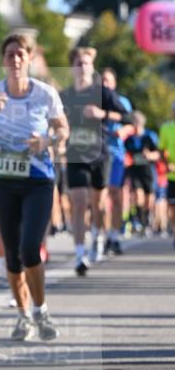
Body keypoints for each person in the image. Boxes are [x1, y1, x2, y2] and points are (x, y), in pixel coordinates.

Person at [0, 33, 69, 341]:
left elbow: (63, 130)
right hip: (3, 181)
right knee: (12, 256)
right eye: (10, 55)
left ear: (29, 58)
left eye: (20, 54)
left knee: (30, 248)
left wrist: (47, 140)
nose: (15, 59)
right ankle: (22, 315)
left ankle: (40, 310)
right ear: (3, 60)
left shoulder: (45, 93)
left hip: (38, 180)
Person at [60, 47, 132, 275]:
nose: (82, 67)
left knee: (99, 204)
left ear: (93, 67)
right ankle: (80, 253)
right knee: (79, 201)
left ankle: (98, 237)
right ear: (72, 67)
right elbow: (55, 120)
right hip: (75, 154)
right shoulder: (65, 95)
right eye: (78, 63)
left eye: (86, 63)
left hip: (99, 154)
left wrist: (102, 114)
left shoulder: (103, 93)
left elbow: (128, 116)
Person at [100, 67, 132, 255]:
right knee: (101, 195)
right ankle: (104, 235)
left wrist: (124, 131)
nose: (105, 84)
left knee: (116, 195)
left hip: (117, 153)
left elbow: (132, 124)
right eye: (102, 80)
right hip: (98, 152)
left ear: (114, 84)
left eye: (108, 81)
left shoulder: (122, 102)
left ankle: (114, 235)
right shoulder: (94, 101)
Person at [158, 100, 175, 250]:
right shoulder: (166, 128)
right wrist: (167, 162)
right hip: (172, 176)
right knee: (172, 206)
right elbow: (161, 150)